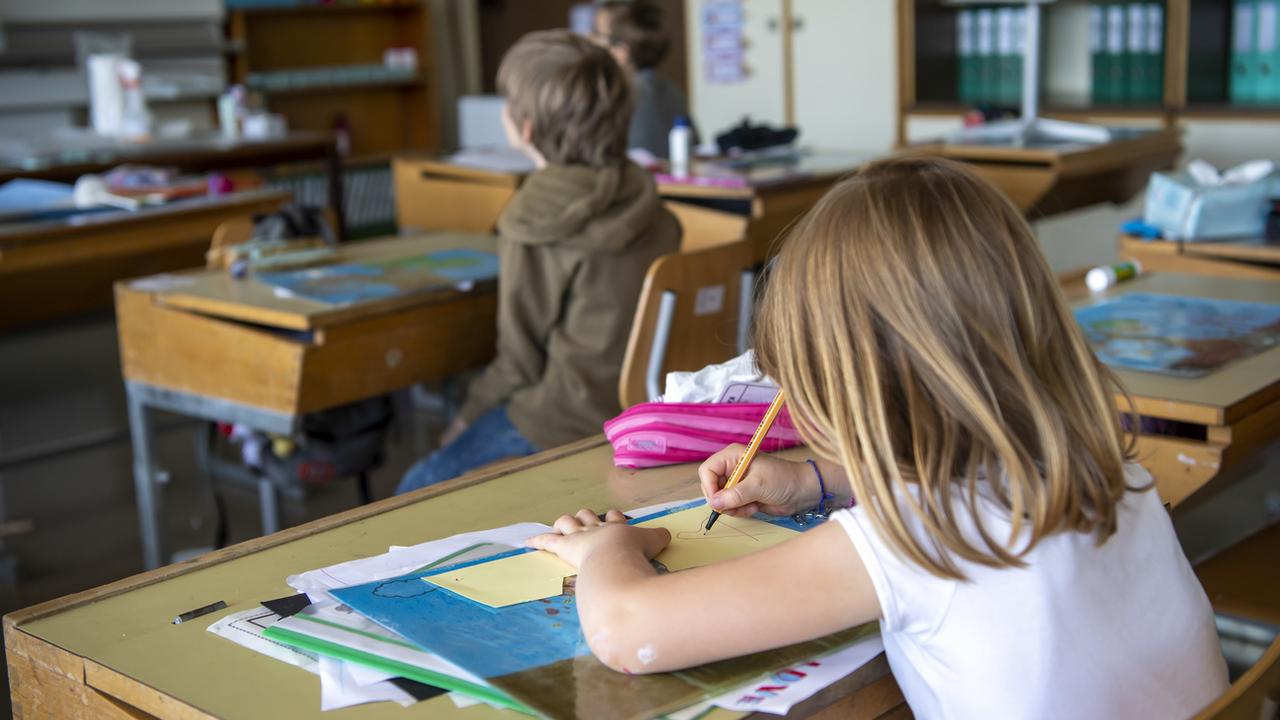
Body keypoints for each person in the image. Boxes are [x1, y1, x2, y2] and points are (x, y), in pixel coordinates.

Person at [525, 157, 1229, 717]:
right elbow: (965, 474)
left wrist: (609, 547)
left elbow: (627, 630)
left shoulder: (913, 540)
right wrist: (818, 483)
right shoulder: (1106, 468)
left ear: (857, 385)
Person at [396, 31, 681, 495]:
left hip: (561, 421)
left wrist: (463, 421)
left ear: (524, 128)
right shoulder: (651, 204)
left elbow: (518, 363)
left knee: (416, 487)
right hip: (641, 410)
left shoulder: (532, 219)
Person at [592, 0, 691, 158]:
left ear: (621, 52)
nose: (590, 39)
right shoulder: (672, 90)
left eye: (597, 34)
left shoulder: (622, 96)